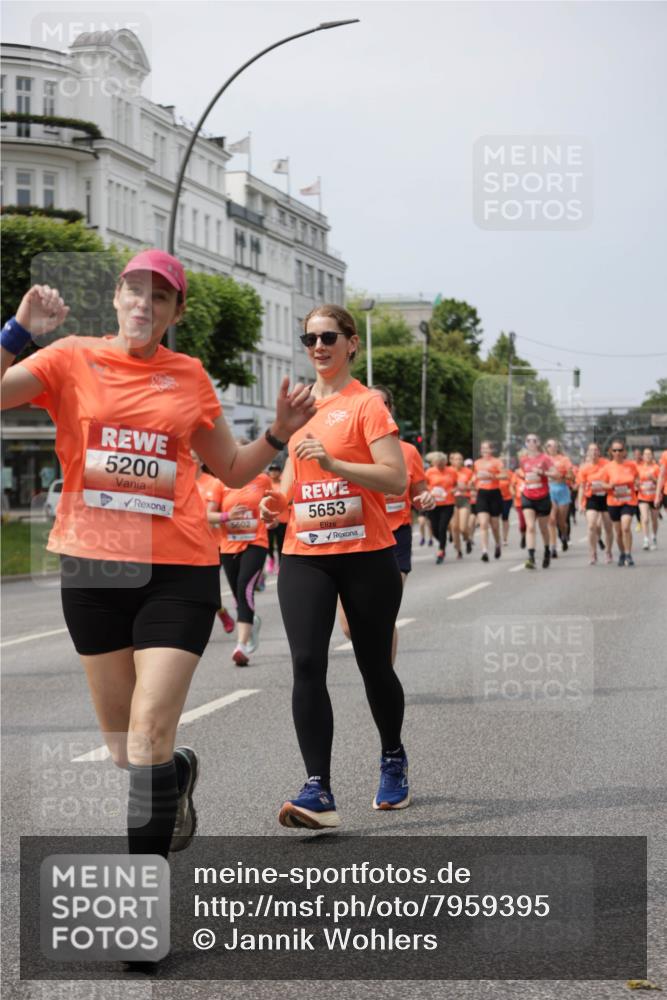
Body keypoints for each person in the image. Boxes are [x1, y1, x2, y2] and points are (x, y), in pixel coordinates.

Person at [0, 254, 315, 871]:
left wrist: (277, 434)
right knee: (127, 751)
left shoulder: (189, 375)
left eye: (161, 298)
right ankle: (177, 772)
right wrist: (17, 330)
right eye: (135, 292)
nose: (145, 305)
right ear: (117, 298)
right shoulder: (69, 358)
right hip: (94, 571)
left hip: (178, 570)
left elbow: (230, 468)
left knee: (147, 731)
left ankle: (141, 905)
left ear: (176, 313)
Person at [259, 304, 408, 830]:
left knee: (373, 664)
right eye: (309, 338)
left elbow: (395, 480)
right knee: (306, 664)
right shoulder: (298, 410)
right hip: (305, 556)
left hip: (366, 555)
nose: (318, 346)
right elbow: (291, 486)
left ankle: (392, 755)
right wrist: (276, 503)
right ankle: (317, 790)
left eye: (328, 337)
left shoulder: (366, 405)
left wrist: (336, 463)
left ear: (351, 344)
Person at [337, 385, 433, 663]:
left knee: (381, 612)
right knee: (348, 626)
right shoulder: (348, 449)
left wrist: (424, 498)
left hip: (395, 537)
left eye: (382, 404)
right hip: (356, 536)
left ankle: (384, 681)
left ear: (389, 410)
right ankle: (378, 664)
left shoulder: (408, 452)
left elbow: (419, 492)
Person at [214, 439, 272, 666]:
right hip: (228, 545)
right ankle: (250, 623)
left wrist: (271, 515)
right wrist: (227, 516)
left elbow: (272, 503)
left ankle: (241, 645)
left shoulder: (262, 479)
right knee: (239, 595)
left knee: (244, 587)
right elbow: (211, 512)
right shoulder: (221, 483)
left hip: (256, 542)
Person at [193, 453, 235, 634]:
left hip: (211, 544)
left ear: (201, 461)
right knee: (190, 589)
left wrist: (226, 517)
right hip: (185, 544)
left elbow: (209, 516)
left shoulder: (212, 483)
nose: (191, 460)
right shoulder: (180, 481)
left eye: (195, 457)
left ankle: (220, 611)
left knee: (204, 588)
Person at [600, 440, 639, 566]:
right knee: (618, 532)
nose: (617, 452)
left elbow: (637, 478)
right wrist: (610, 485)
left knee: (626, 527)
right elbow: (602, 484)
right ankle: (622, 553)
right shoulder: (607, 467)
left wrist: (637, 483)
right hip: (613, 502)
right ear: (611, 452)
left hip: (629, 500)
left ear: (624, 452)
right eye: (615, 450)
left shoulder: (631, 465)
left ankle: (628, 553)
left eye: (620, 450)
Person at [518, 434, 554, 569]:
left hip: (543, 496)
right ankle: (531, 557)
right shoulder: (523, 460)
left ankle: (546, 551)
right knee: (530, 526)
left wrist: (542, 472)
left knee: (543, 528)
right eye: (528, 440)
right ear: (526, 443)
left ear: (538, 443)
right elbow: (523, 473)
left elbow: (556, 474)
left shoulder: (545, 459)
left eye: (534, 440)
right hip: (527, 496)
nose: (531, 443)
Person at [576, 443, 613, 565]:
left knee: (608, 527)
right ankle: (593, 553)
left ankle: (608, 551)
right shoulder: (584, 468)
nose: (593, 452)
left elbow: (613, 479)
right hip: (592, 498)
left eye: (595, 450)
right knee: (591, 525)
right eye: (590, 450)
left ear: (599, 452)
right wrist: (580, 503)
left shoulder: (607, 464)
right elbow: (581, 487)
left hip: (606, 497)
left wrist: (606, 485)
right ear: (587, 453)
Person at [472, 441, 504, 561]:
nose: (485, 451)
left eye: (487, 449)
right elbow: (474, 476)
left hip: (494, 493)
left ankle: (497, 544)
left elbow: (505, 475)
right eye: (483, 449)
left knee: (495, 525)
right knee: (483, 523)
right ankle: (484, 551)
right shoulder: (477, 463)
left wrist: (491, 476)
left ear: (492, 450)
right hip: (482, 494)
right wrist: (472, 481)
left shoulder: (497, 462)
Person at [425, 452, 457, 564]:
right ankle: (442, 542)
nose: (440, 467)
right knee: (434, 530)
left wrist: (454, 489)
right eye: (438, 465)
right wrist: (430, 491)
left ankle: (441, 550)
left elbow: (456, 484)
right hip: (433, 504)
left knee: (442, 527)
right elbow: (424, 486)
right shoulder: (429, 472)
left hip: (448, 503)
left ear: (445, 462)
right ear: (434, 463)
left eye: (442, 464)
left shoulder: (451, 471)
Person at [545, 439, 573, 558]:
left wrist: (562, 476)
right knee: (551, 519)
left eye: (554, 446)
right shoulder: (543, 459)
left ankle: (564, 536)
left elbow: (571, 476)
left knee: (561, 521)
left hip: (562, 489)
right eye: (549, 446)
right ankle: (553, 547)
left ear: (557, 447)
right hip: (549, 490)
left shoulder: (564, 459)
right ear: (546, 447)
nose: (551, 448)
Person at [450, 452, 473, 558]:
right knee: (455, 527)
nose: (458, 461)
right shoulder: (448, 471)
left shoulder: (468, 472)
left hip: (464, 499)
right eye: (456, 459)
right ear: (451, 461)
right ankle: (459, 550)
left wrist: (464, 487)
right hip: (451, 500)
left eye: (460, 459)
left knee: (463, 527)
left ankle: (468, 540)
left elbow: (472, 486)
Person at [636, 448, 660, 550]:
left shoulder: (656, 467)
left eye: (649, 454)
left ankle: (654, 536)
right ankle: (646, 539)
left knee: (654, 519)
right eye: (645, 454)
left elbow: (661, 482)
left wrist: (653, 479)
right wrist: (636, 485)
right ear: (643, 456)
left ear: (652, 456)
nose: (648, 456)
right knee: (645, 519)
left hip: (654, 497)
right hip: (643, 497)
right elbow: (635, 480)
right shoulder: (639, 467)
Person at [266, 459, 287, 572]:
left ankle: (280, 564)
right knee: (268, 543)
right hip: (269, 519)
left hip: (283, 519)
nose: (274, 472)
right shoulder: (266, 484)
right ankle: (271, 559)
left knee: (280, 544)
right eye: (271, 470)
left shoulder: (283, 483)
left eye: (276, 470)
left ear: (279, 472)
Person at [497, 464, 514, 547]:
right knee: (495, 518)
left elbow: (513, 485)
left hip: (507, 499)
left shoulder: (510, 473)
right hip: (496, 499)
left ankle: (505, 538)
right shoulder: (495, 474)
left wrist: (514, 494)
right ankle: (497, 537)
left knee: (505, 517)